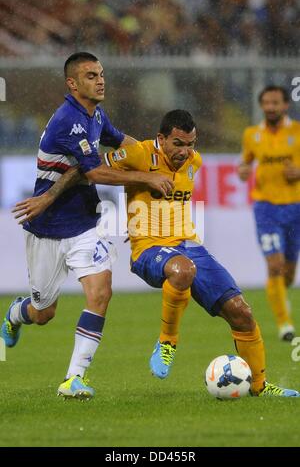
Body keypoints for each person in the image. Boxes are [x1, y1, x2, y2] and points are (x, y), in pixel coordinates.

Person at [16, 109, 300, 397]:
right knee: (183, 270)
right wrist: (49, 197)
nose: (185, 151)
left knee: (241, 312)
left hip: (188, 244)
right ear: (161, 139)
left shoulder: (194, 162)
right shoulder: (138, 154)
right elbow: (87, 171)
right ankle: (167, 343)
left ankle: (260, 387)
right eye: (178, 144)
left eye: (191, 144)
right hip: (148, 250)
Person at [1, 52, 173, 400]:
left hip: (86, 222)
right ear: (73, 83)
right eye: (92, 75)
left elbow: (122, 141)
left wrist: (157, 155)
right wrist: (147, 177)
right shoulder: (69, 120)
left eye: (102, 74)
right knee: (43, 311)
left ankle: (73, 378)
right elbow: (92, 172)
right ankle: (16, 314)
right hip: (47, 227)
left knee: (101, 292)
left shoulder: (95, 114)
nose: (100, 80)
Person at [238, 86, 300, 342]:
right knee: (274, 265)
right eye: (266, 103)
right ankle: (285, 324)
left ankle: (279, 298)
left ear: (286, 105)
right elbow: (246, 161)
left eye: (275, 103)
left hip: (294, 207)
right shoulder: (252, 134)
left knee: (288, 272)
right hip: (265, 209)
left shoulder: (297, 131)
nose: (270, 107)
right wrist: (243, 170)